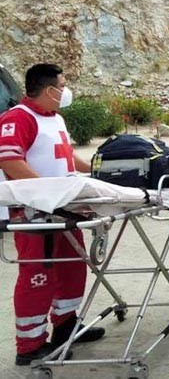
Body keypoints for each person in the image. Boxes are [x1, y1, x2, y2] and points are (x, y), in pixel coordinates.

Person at [0, 64, 106, 366]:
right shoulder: (18, 119)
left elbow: (68, 156)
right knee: (38, 278)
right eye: (63, 84)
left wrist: (101, 170)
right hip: (36, 216)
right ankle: (30, 345)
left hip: (64, 210)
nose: (66, 89)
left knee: (73, 269)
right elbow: (11, 162)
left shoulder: (55, 119)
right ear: (49, 90)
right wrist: (48, 196)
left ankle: (65, 325)